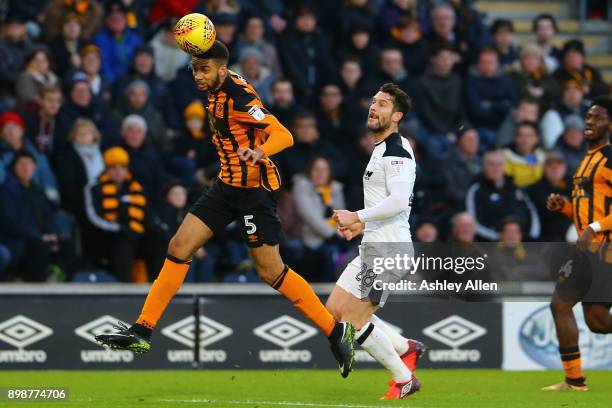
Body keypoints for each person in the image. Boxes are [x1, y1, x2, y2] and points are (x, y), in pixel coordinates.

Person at [94, 40, 356, 377]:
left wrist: (261, 152)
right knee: (178, 247)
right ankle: (142, 331)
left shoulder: (239, 96)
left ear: (220, 68)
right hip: (226, 186)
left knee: (270, 271)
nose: (197, 76)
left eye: (203, 69)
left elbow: (283, 134)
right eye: (194, 70)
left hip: (254, 192)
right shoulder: (216, 86)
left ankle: (336, 332)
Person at [328, 83, 423, 399]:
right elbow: (392, 203)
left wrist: (356, 216)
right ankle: (404, 346)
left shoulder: (396, 151)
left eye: (382, 104)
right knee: (335, 310)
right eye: (373, 102)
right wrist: (360, 227)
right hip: (373, 244)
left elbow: (397, 202)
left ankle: (404, 378)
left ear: (397, 116)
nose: (374, 107)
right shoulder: (383, 148)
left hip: (389, 250)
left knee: (353, 323)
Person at [544, 97, 612, 391]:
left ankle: (574, 379)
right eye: (587, 117)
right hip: (588, 249)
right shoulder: (586, 160)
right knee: (582, 315)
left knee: (583, 314)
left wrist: (595, 227)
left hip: (606, 249)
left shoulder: (609, 159)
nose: (589, 121)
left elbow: (598, 218)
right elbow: (588, 210)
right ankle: (574, 380)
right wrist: (565, 208)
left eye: (596, 118)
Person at [85, 146, 147, 281]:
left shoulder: (136, 187)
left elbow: (146, 214)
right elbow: (93, 217)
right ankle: (125, 289)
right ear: (107, 169)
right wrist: (120, 229)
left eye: (122, 167)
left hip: (134, 234)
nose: (118, 171)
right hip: (105, 236)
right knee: (123, 243)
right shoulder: (95, 187)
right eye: (114, 167)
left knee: (157, 242)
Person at [0, 151, 64, 281]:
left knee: (65, 242)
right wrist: (39, 236)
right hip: (15, 237)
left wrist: (53, 234)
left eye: (29, 164)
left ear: (35, 168)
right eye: (22, 164)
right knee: (39, 246)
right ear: (14, 167)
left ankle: (60, 276)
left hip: (36, 235)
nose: (26, 168)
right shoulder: (5, 191)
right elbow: (9, 222)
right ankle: (35, 288)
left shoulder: (37, 191)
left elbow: (48, 216)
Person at [292, 156, 346, 282]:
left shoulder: (336, 189)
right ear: (310, 172)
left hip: (334, 239)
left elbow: (342, 217)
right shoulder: (301, 187)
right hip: (308, 241)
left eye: (324, 169)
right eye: (317, 169)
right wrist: (333, 235)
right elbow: (311, 218)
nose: (321, 173)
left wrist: (339, 234)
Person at [466, 151, 540, 241]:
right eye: (491, 164)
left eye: (499, 164)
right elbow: (473, 222)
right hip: (492, 244)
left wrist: (531, 236)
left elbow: (531, 212)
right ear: (484, 167)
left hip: (523, 242)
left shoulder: (514, 188)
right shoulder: (477, 190)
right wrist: (498, 237)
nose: (496, 168)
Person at [415, 44, 464, 157]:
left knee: (471, 135)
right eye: (442, 58)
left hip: (454, 129)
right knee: (437, 144)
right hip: (430, 130)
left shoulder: (457, 80)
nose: (446, 61)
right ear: (434, 59)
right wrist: (445, 132)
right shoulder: (422, 82)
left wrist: (459, 130)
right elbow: (425, 114)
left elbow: (461, 112)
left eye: (450, 58)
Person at [464, 48, 518, 149]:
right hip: (479, 126)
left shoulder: (506, 80)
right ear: (478, 63)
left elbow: (513, 104)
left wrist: (489, 105)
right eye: (484, 62)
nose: (487, 66)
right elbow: (476, 111)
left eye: (491, 62)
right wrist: (502, 106)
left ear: (497, 63)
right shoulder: (470, 81)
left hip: (506, 124)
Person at [0, 111, 59, 202]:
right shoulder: (2, 155)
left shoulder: (36, 153)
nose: (11, 132)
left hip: (38, 199)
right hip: (11, 202)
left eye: (15, 127)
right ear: (1, 133)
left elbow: (47, 178)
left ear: (22, 130)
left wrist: (52, 200)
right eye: (7, 128)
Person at [526, 151, 572, 242]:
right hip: (545, 238)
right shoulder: (534, 190)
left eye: (559, 164)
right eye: (550, 164)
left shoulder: (575, 187)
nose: (555, 168)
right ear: (544, 168)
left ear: (565, 167)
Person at [93, 0, 143, 83]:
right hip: (108, 83)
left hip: (131, 83)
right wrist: (114, 83)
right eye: (112, 19)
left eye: (120, 18)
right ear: (106, 21)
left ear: (126, 20)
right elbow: (103, 65)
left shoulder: (135, 40)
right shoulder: (99, 39)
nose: (116, 21)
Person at [508, 43, 560, 113]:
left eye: (535, 58)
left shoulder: (546, 75)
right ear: (522, 60)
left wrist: (543, 91)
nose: (531, 61)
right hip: (520, 111)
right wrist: (528, 91)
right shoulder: (514, 75)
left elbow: (556, 92)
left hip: (542, 111)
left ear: (540, 61)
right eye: (527, 58)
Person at [502, 121, 546, 188]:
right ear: (515, 138)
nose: (524, 140)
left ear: (537, 139)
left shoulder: (544, 156)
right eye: (520, 135)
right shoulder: (502, 157)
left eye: (528, 136)